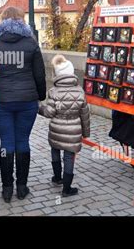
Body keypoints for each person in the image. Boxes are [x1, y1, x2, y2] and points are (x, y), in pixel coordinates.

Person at [0, 6, 46, 203]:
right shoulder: (31, 44)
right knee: (22, 141)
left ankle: (7, 188)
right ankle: (22, 186)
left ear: (2, 21)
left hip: (2, 102)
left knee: (6, 142)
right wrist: (39, 96)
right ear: (21, 21)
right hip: (27, 101)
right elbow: (40, 76)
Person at [38, 55, 90, 197]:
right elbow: (85, 115)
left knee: (55, 151)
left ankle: (57, 178)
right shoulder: (80, 91)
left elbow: (49, 113)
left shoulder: (53, 92)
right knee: (69, 157)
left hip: (56, 128)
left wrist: (39, 108)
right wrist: (85, 133)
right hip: (73, 130)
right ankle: (67, 189)